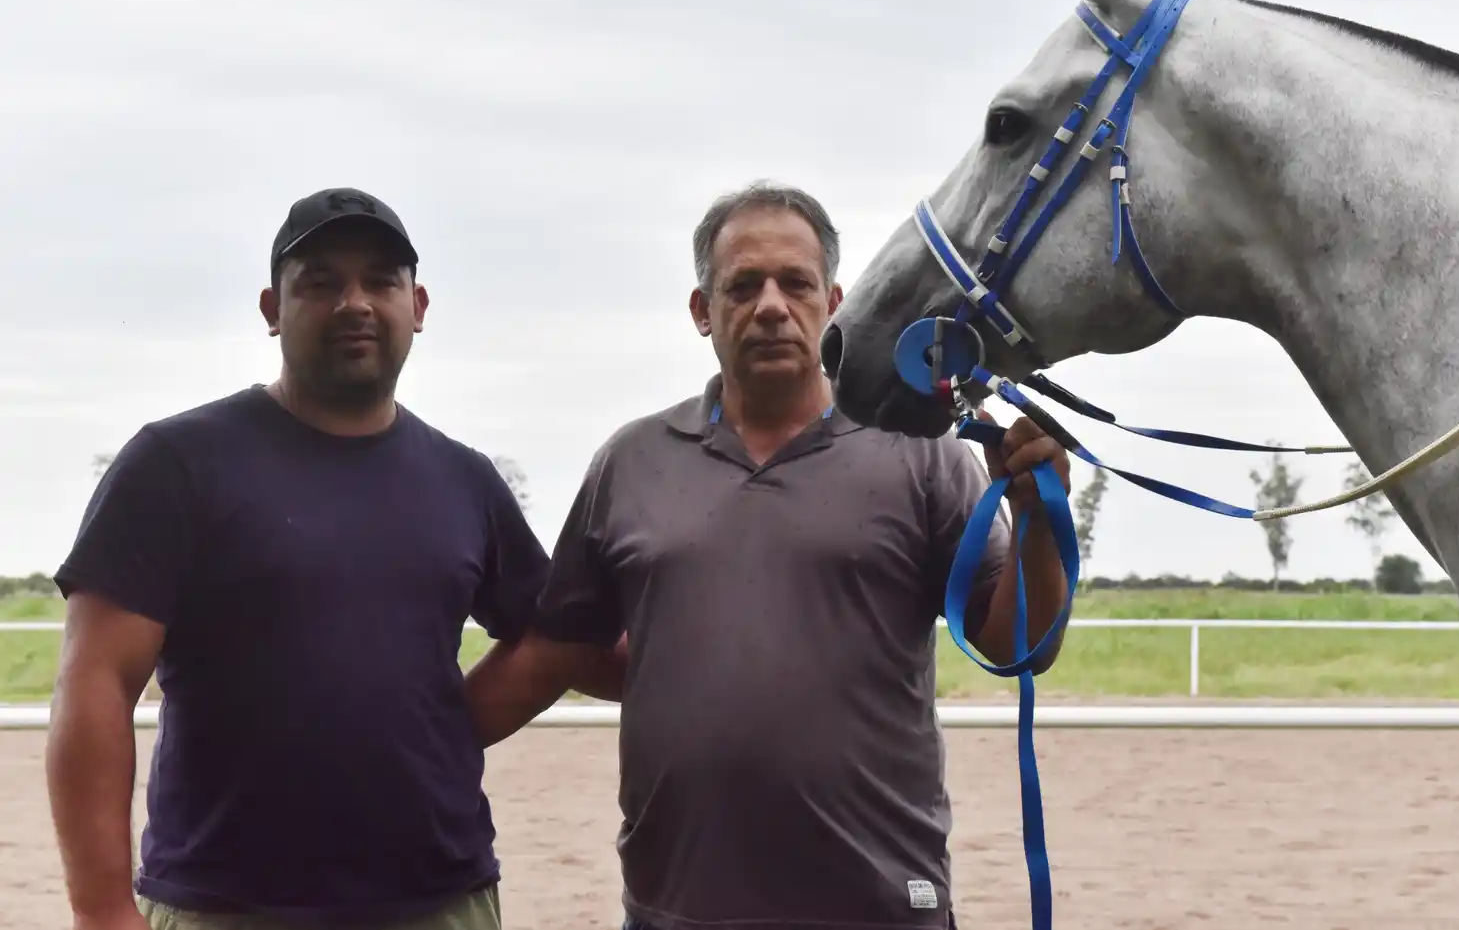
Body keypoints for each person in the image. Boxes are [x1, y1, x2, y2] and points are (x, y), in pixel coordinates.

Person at [463, 181, 1073, 930]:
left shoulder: (922, 453)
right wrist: (408, 743)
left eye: (796, 283)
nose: (772, 306)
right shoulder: (632, 462)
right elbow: (553, 652)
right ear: (702, 310)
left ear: (835, 303)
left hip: (880, 908)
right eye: (743, 286)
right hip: (676, 909)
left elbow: (1018, 644)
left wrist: (1038, 518)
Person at [45, 187, 621, 930]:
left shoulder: (464, 479)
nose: (356, 303)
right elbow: (94, 681)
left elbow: (555, 640)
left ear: (418, 305)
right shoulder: (176, 463)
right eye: (320, 282)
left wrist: (451, 727)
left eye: (381, 281)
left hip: (442, 899)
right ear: (272, 308)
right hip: (222, 905)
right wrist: (101, 910)